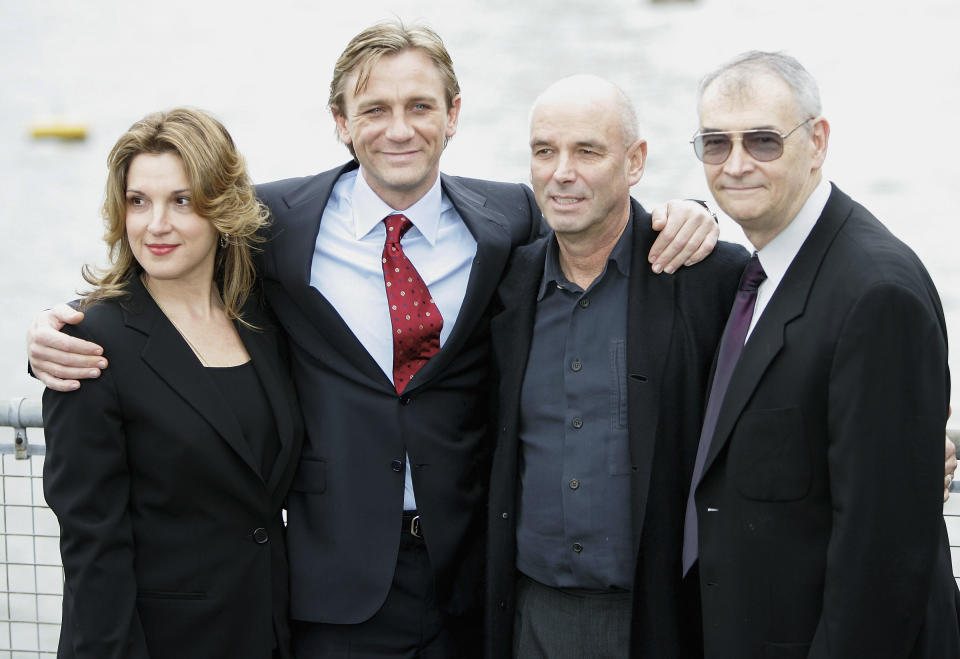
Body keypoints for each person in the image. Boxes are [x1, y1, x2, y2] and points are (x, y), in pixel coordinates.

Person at [28, 22, 720, 658]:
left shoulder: (510, 218)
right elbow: (169, 251)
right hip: (332, 588)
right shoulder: (276, 221)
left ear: (453, 114)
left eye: (420, 106)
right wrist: (60, 324)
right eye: (374, 109)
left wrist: (688, 211)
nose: (399, 129)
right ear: (340, 122)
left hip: (471, 581)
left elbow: (593, 222)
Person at [683, 51, 960, 657]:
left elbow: (884, 558)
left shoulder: (876, 294)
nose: (735, 165)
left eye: (762, 141)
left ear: (817, 142)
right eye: (714, 144)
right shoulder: (757, 274)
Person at [484, 75, 748, 659]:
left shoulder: (709, 278)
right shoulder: (505, 285)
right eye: (545, 151)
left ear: (635, 162)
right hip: (530, 613)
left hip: (656, 616)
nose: (562, 172)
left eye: (587, 151)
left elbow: (789, 380)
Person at [41, 108, 303, 659]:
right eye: (139, 201)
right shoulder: (89, 344)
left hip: (269, 632)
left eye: (182, 201)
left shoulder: (263, 319)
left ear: (221, 208)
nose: (156, 224)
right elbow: (93, 545)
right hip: (159, 643)